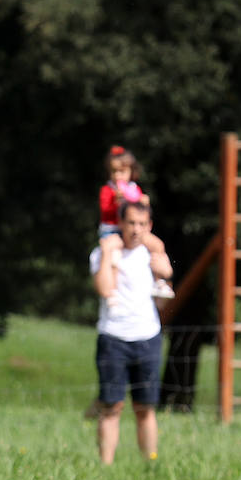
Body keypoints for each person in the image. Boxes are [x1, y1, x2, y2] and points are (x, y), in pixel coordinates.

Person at [90, 199, 172, 465]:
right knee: (111, 406)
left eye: (141, 223)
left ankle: (150, 463)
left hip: (147, 337)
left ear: (149, 226)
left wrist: (164, 273)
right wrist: (105, 253)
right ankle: (106, 467)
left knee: (145, 408)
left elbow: (165, 285)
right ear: (120, 224)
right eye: (131, 222)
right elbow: (104, 289)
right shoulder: (102, 253)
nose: (136, 229)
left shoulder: (152, 254)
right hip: (113, 337)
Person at [97, 145, 175, 304]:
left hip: (132, 231)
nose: (118, 176)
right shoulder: (107, 190)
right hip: (112, 230)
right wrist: (116, 203)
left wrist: (144, 203)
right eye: (114, 171)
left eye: (122, 171)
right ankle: (112, 292)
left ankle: (159, 282)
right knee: (115, 254)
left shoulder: (134, 189)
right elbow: (106, 211)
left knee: (157, 245)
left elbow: (140, 212)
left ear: (131, 172)